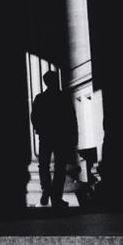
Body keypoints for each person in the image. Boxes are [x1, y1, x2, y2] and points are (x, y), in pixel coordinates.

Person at [30, 71, 78, 209]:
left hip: (46, 136)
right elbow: (71, 119)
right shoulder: (63, 97)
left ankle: (46, 189)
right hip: (61, 136)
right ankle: (56, 197)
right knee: (60, 167)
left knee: (43, 165)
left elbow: (34, 117)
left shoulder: (40, 98)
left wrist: (40, 129)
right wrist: (73, 137)